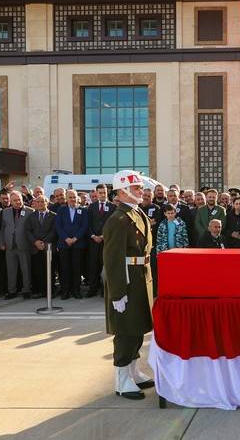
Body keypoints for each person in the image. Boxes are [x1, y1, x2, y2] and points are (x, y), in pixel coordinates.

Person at [103, 170, 155, 400]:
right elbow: (112, 259)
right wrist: (117, 294)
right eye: (135, 188)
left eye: (140, 187)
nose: (141, 191)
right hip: (126, 280)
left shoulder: (137, 213)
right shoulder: (118, 219)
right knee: (125, 331)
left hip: (140, 277)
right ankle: (122, 380)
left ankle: (133, 371)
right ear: (122, 192)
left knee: (137, 328)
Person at [0, 191, 35, 299]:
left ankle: (27, 290)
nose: (18, 202)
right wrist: (1, 243)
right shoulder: (5, 212)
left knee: (26, 269)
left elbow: (32, 230)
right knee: (11, 270)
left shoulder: (30, 211)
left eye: (19, 199)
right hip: (9, 245)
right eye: (15, 200)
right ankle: (12, 291)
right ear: (11, 201)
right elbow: (2, 229)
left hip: (24, 245)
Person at [55, 189, 89, 300]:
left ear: (77, 198)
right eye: (70, 197)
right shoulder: (61, 210)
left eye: (74, 197)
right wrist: (66, 238)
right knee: (65, 269)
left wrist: (75, 238)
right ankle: (65, 291)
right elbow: (58, 226)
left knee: (76, 268)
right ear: (66, 198)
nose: (72, 199)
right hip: (64, 245)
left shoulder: (83, 210)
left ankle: (76, 290)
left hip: (78, 245)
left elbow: (84, 226)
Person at [25, 195, 57, 298]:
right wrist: (35, 242)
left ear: (47, 203)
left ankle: (50, 291)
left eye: (42, 201)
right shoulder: (31, 216)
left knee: (50, 271)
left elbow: (54, 231)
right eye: (37, 202)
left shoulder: (54, 216)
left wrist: (44, 242)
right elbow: (28, 231)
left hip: (48, 248)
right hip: (35, 248)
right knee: (38, 270)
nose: (39, 204)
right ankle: (40, 291)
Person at [86, 184, 114, 298]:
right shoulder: (91, 207)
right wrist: (93, 236)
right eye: (100, 192)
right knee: (93, 266)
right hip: (93, 241)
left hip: (106, 241)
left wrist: (103, 236)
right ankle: (93, 289)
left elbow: (112, 225)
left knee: (105, 266)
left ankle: (104, 290)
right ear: (96, 194)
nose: (103, 194)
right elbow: (87, 224)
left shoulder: (113, 207)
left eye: (104, 192)